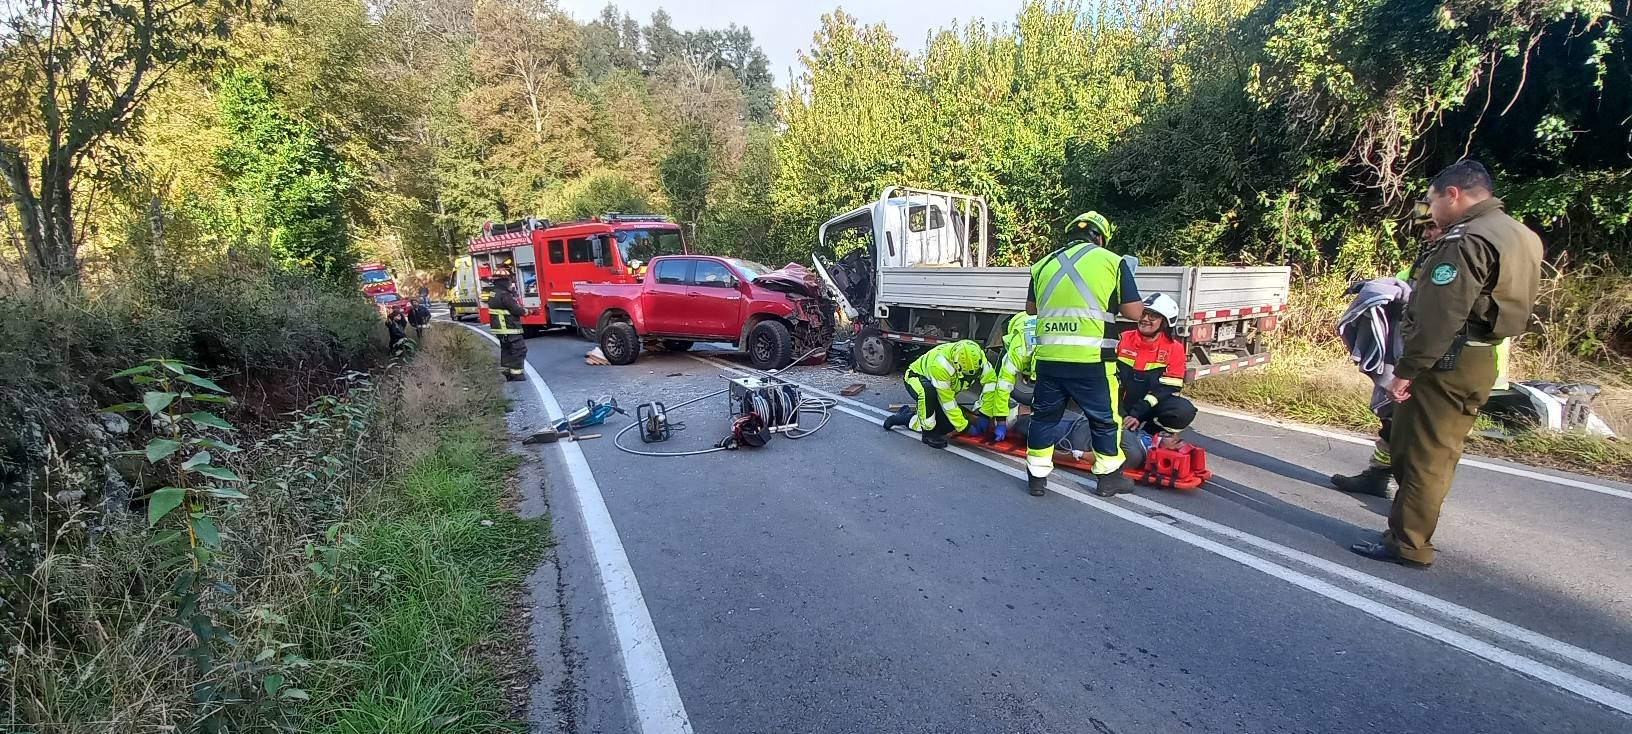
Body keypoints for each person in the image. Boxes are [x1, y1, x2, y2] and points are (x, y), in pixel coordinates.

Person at [1350, 160, 1542, 568]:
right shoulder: (1522, 235)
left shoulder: (1466, 238)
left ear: (1451, 194)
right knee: (1436, 452)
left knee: (1420, 456)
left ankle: (1408, 544)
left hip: (1444, 361)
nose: (1431, 212)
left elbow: (1441, 315)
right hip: (1480, 358)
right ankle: (1409, 531)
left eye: (1433, 201)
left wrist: (1405, 371)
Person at [1024, 211, 1145, 497]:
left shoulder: (1042, 265)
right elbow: (1134, 312)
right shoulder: (1113, 262)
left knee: (1044, 418)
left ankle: (1037, 479)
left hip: (1049, 360)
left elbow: (1031, 309)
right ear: (1100, 237)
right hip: (1092, 362)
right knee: (1104, 420)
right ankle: (1108, 478)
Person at [1329, 202, 1438, 498]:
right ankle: (1378, 476)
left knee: (1415, 432)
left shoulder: (1455, 257)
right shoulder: (1431, 255)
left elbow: (1439, 313)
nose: (1427, 234)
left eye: (1432, 227)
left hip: (1436, 360)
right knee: (1392, 419)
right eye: (1424, 228)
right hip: (1412, 352)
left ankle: (1412, 503)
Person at [1115, 293, 1197, 469]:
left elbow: (1166, 388)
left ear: (1165, 322)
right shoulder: (1122, 340)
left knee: (1183, 410)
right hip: (1119, 403)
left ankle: (1150, 435)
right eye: (1144, 313)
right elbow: (1111, 381)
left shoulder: (1174, 349)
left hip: (1148, 407)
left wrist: (1136, 414)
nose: (1145, 319)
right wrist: (1122, 414)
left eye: (1153, 316)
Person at [882, 340, 995, 449]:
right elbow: (947, 402)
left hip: (940, 388)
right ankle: (926, 433)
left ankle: (909, 417)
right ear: (957, 366)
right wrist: (964, 427)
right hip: (916, 378)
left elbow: (990, 386)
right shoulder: (941, 365)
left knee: (947, 425)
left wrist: (985, 414)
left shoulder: (978, 359)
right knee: (928, 393)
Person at [976, 312, 1038, 442]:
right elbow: (1002, 388)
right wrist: (1001, 422)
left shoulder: (1051, 356)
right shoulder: (1017, 354)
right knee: (997, 379)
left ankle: (1022, 412)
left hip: (1038, 327)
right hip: (1018, 326)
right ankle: (980, 409)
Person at [487, 276, 528, 382]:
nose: (510, 284)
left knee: (506, 350)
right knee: (519, 349)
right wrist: (527, 312)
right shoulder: (504, 295)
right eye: (508, 281)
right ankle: (517, 374)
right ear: (503, 282)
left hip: (500, 329)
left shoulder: (493, 293)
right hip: (509, 328)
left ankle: (507, 372)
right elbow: (515, 310)